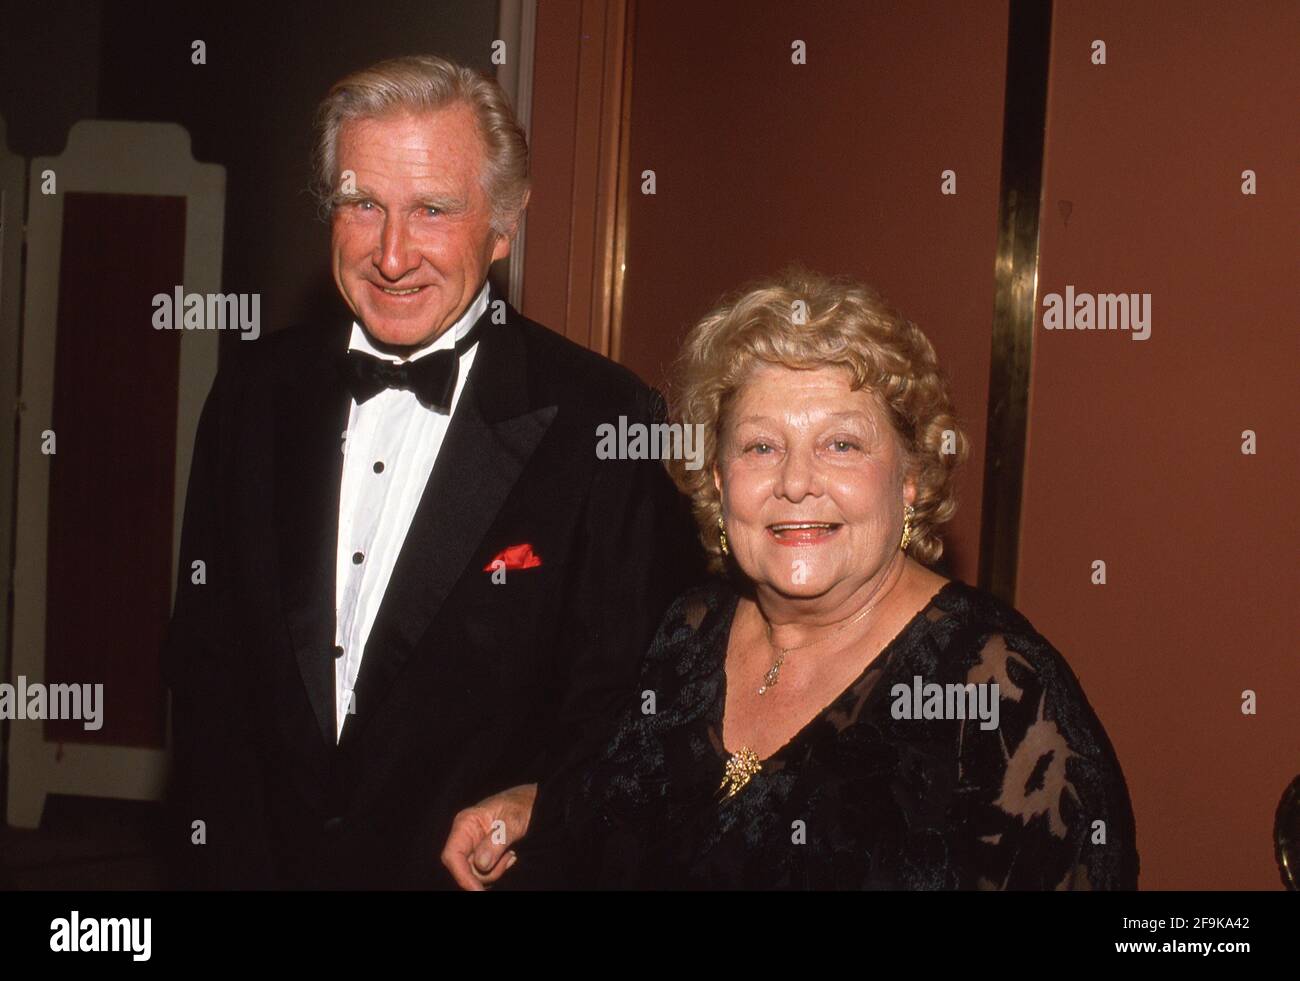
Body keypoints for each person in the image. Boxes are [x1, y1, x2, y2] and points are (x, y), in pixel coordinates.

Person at [162, 54, 701, 889]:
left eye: (432, 210)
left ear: (504, 224)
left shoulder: (608, 420)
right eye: (362, 204)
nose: (391, 252)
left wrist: (538, 804)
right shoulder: (250, 393)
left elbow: (627, 715)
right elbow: (205, 678)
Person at [444, 268, 1140, 890]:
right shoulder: (687, 632)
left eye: (841, 443)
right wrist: (535, 804)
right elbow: (642, 814)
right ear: (718, 480)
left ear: (914, 478)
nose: (796, 482)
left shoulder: (1003, 701)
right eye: (761, 445)